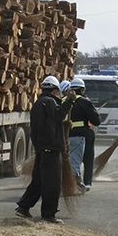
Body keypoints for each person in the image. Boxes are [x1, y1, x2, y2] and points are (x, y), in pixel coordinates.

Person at [15, 76, 77, 223]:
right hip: (51, 148)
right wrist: (69, 101)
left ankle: (24, 207)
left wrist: (64, 126)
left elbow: (51, 122)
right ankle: (48, 215)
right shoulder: (49, 102)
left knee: (38, 181)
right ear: (55, 91)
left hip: (42, 148)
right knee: (52, 183)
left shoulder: (38, 104)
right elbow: (58, 115)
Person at [67, 78, 101, 191]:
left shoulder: (64, 101)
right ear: (82, 89)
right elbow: (96, 120)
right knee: (85, 159)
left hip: (64, 136)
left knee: (66, 159)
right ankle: (84, 183)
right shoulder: (84, 102)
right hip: (81, 135)